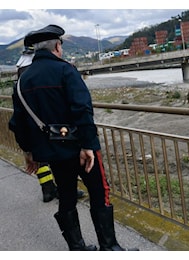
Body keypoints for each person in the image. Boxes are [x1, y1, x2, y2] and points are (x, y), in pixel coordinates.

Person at [9, 24, 138, 251]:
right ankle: (109, 248)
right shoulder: (66, 70)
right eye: (61, 46)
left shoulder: (22, 81)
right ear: (57, 47)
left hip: (54, 155)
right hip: (81, 148)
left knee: (67, 197)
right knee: (100, 193)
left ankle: (77, 249)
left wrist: (29, 152)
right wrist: (88, 144)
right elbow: (82, 109)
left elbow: (18, 123)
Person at [15, 43, 86, 203]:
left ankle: (47, 189)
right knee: (62, 160)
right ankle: (66, 191)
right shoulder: (38, 67)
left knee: (42, 159)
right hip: (52, 121)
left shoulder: (21, 66)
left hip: (33, 122)